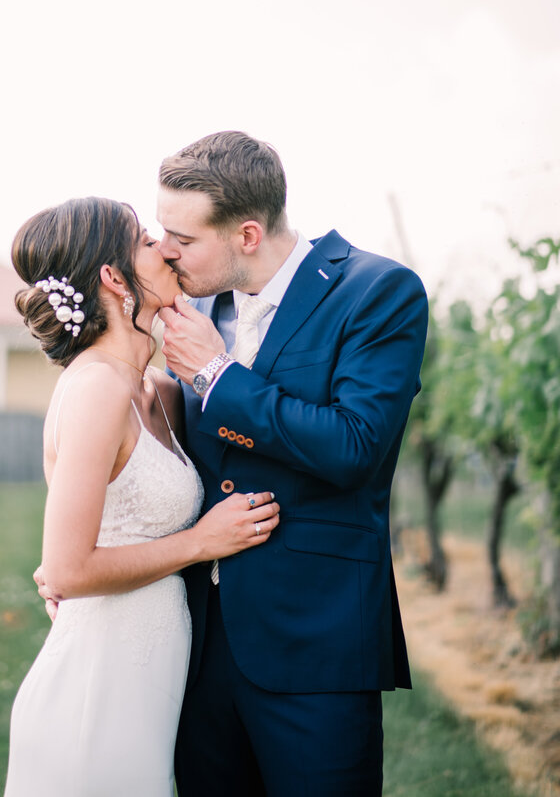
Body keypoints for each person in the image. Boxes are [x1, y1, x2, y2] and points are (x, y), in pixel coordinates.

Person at [156, 131, 429, 797]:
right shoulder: (189, 309)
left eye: (183, 239)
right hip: (192, 639)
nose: (164, 250)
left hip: (317, 640)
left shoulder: (378, 292)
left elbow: (354, 446)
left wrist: (219, 377)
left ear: (247, 234)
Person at [2, 196, 279, 797]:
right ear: (111, 276)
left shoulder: (159, 390)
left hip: (153, 686)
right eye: (148, 242)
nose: (168, 248)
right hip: (95, 688)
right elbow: (68, 568)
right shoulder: (97, 388)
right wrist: (202, 542)